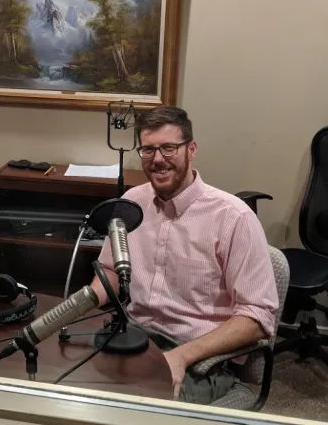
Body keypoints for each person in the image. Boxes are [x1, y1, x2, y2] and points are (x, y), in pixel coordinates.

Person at [88, 106, 279, 404]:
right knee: (70, 384)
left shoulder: (233, 218)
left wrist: (181, 356)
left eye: (169, 148)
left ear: (191, 149)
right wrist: (72, 311)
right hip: (135, 336)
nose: (158, 159)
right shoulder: (131, 203)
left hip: (202, 359)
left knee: (137, 408)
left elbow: (257, 316)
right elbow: (111, 272)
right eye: (148, 150)